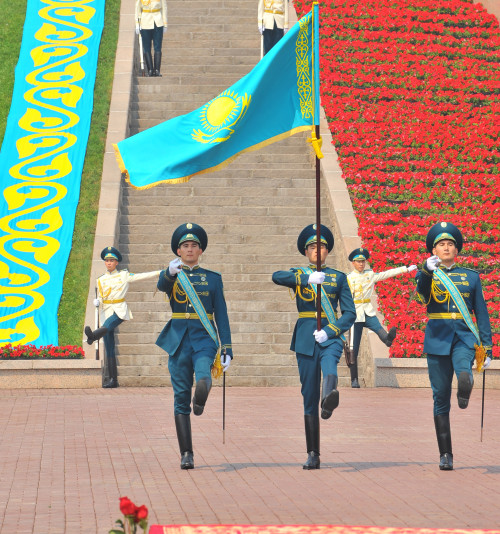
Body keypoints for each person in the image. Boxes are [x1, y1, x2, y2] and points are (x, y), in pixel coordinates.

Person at [272, 224, 356, 470]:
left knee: (330, 367)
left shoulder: (338, 277)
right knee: (308, 394)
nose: (316, 250)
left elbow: (349, 314)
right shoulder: (298, 273)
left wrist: (330, 331)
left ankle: (330, 395)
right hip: (306, 337)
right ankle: (313, 453)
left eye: (320, 246)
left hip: (329, 334)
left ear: (327, 250)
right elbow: (277, 276)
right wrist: (306, 278)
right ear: (305, 252)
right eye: (312, 247)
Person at [416, 222, 493, 471]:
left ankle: (464, 385)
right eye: (441, 244)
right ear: (434, 251)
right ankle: (446, 454)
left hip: (463, 336)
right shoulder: (425, 273)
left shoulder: (471, 276)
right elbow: (421, 298)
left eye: (450, 244)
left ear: (456, 249)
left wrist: (488, 347)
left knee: (463, 367)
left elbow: (481, 313)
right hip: (437, 337)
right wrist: (426, 273)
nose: (446, 247)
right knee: (440, 398)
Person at [156, 223, 233, 470]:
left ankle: (200, 396)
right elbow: (162, 285)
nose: (190, 250)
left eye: (194, 246)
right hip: (178, 339)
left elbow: (221, 314)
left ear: (201, 250)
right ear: (178, 251)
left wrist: (227, 347)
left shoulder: (213, 279)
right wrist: (168, 272)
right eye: (185, 246)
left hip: (204, 338)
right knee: (180, 397)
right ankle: (186, 453)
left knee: (203, 374)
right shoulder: (172, 274)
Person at [85, 247, 160, 388]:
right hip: (106, 310)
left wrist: (159, 273)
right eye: (107, 260)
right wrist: (98, 301)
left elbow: (140, 276)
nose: (109, 263)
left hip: (119, 310)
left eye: (111, 260)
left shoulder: (124, 275)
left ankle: (93, 336)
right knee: (109, 346)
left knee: (106, 326)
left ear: (117, 262)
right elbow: (102, 296)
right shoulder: (100, 279)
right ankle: (113, 380)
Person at [346, 248, 417, 388]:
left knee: (379, 328)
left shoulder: (370, 274)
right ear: (353, 263)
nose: (361, 264)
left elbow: (386, 274)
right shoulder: (348, 278)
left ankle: (388, 340)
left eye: (363, 261)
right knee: (353, 348)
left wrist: (405, 269)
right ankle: (354, 379)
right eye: (358, 262)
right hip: (355, 313)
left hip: (367, 311)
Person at [135, 0, 167, 77]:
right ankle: (150, 70)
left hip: (157, 22)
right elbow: (137, 9)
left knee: (158, 47)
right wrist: (137, 24)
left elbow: (164, 8)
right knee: (146, 47)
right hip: (145, 22)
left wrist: (165, 23)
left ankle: (157, 70)